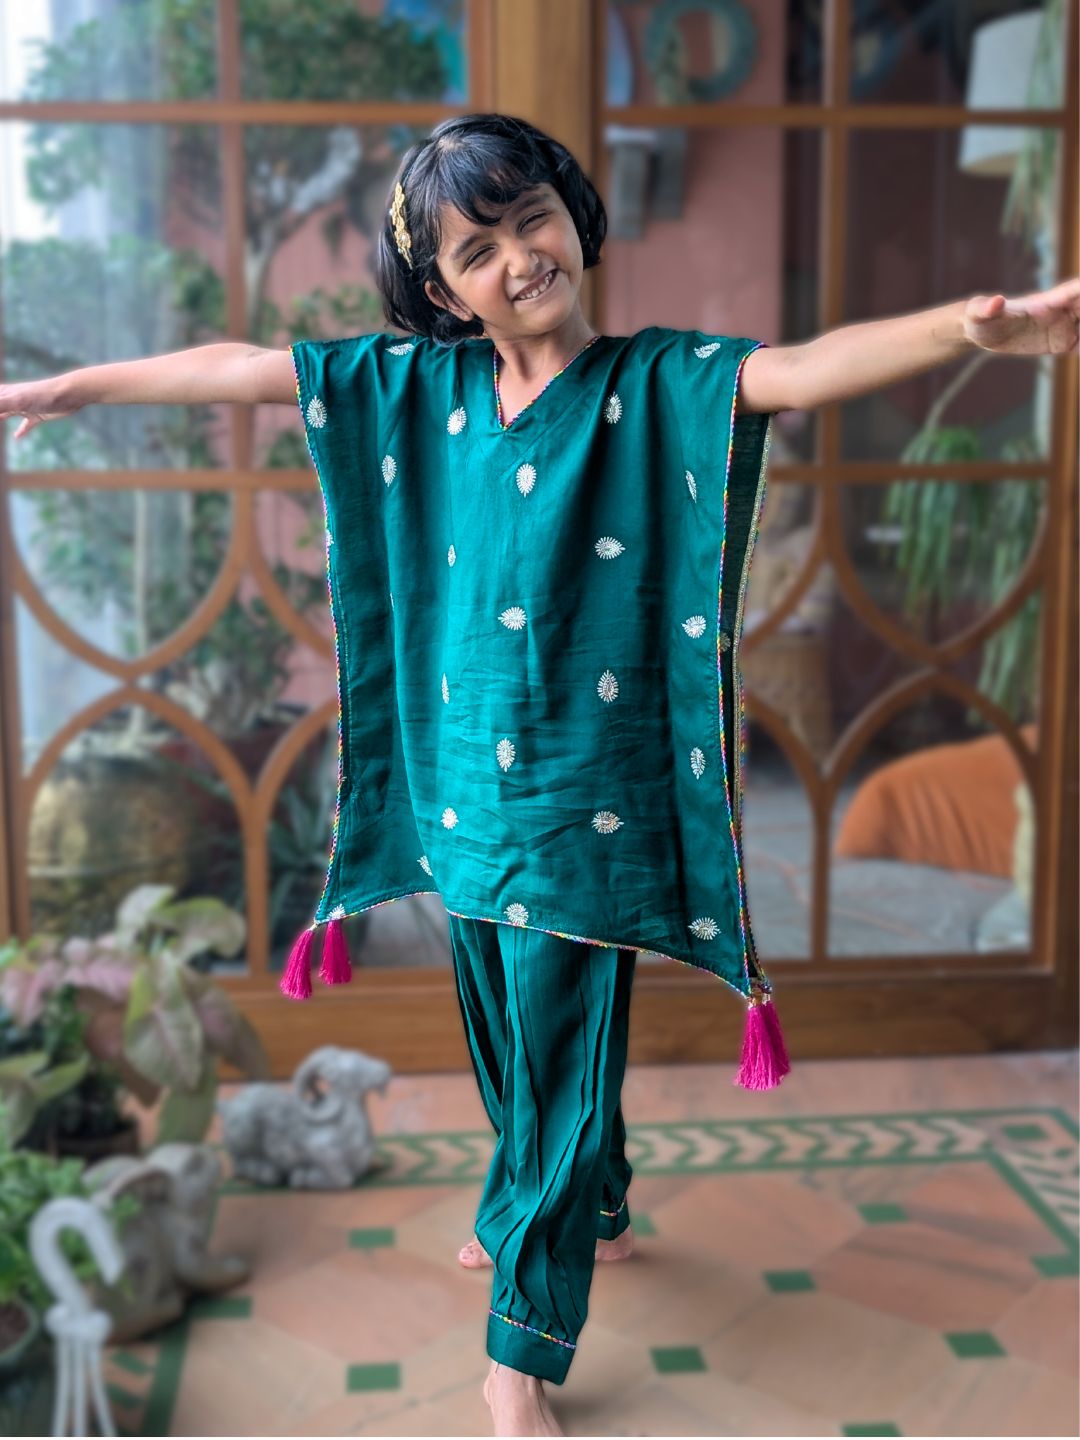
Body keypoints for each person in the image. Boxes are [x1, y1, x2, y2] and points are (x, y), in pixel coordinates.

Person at [2, 111, 1076, 1439]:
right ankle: (597, 1201)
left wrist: (977, 332)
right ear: (438, 286)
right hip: (460, 789)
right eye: (478, 245)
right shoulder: (415, 390)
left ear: (574, 217)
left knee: (559, 1046)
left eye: (534, 219)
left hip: (590, 791)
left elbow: (803, 370)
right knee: (517, 1045)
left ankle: (523, 1337)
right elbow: (236, 366)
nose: (521, 255)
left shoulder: (660, 381)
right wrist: (67, 391)